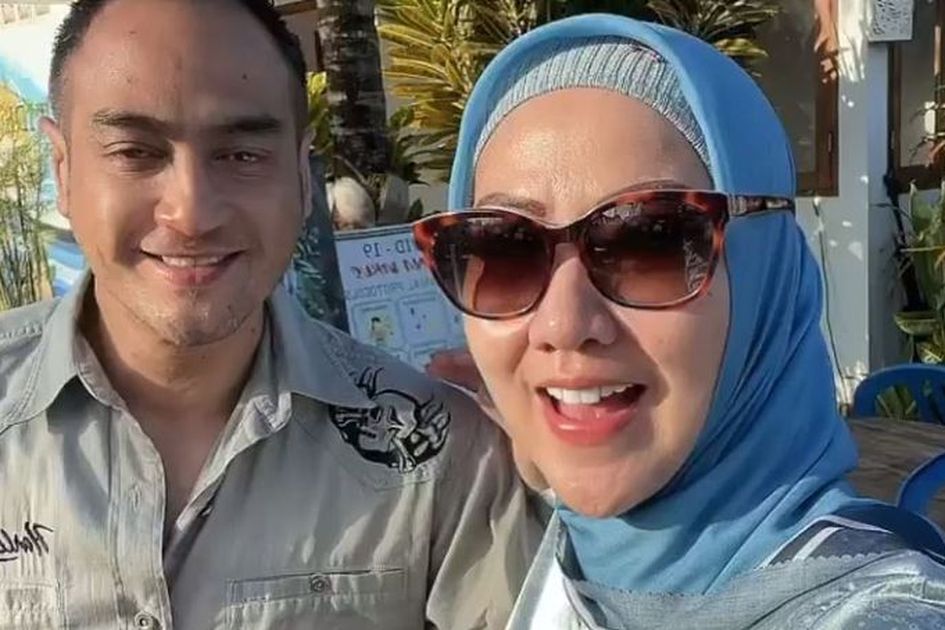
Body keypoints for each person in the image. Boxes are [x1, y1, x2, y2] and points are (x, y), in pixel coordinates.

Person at [0, 1, 538, 628]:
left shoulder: (438, 455)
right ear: (63, 169)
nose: (192, 214)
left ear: (303, 176)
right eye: (135, 152)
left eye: (241, 155)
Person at [418, 13, 945, 629]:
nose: (562, 323)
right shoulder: (571, 555)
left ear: (763, 274)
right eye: (504, 248)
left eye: (652, 242)